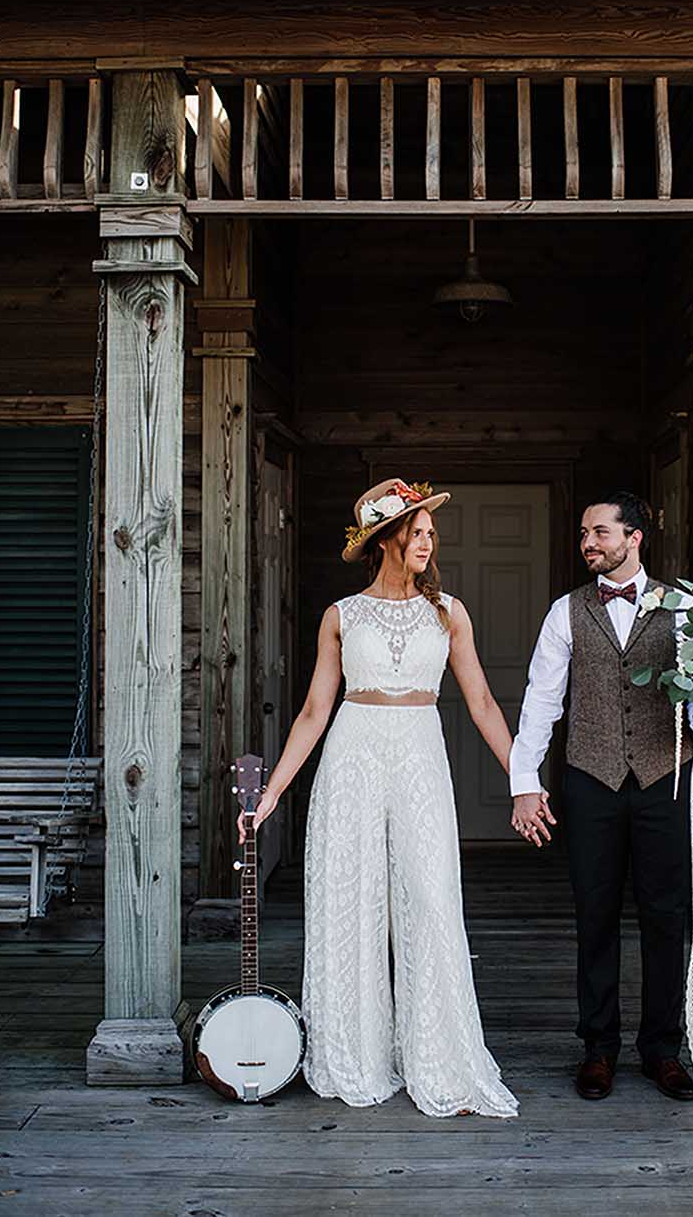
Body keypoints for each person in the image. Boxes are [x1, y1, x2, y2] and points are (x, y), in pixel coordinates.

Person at [243, 477, 518, 1119]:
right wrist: (274, 793)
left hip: (420, 754)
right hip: (353, 754)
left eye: (430, 532)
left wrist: (521, 777)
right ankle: (352, 1058)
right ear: (386, 539)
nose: (427, 540)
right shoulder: (342, 615)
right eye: (415, 530)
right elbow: (314, 710)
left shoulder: (449, 612)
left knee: (430, 897)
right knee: (349, 900)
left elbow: (480, 702)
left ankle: (443, 1062)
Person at [509, 491, 693, 1103]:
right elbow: (540, 702)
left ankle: (662, 1049)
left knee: (668, 917)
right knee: (596, 916)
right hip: (591, 780)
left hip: (667, 779)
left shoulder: (685, 608)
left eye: (600, 532)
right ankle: (598, 1048)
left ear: (634, 537)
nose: (588, 543)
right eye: (584, 534)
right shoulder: (565, 612)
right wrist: (524, 782)